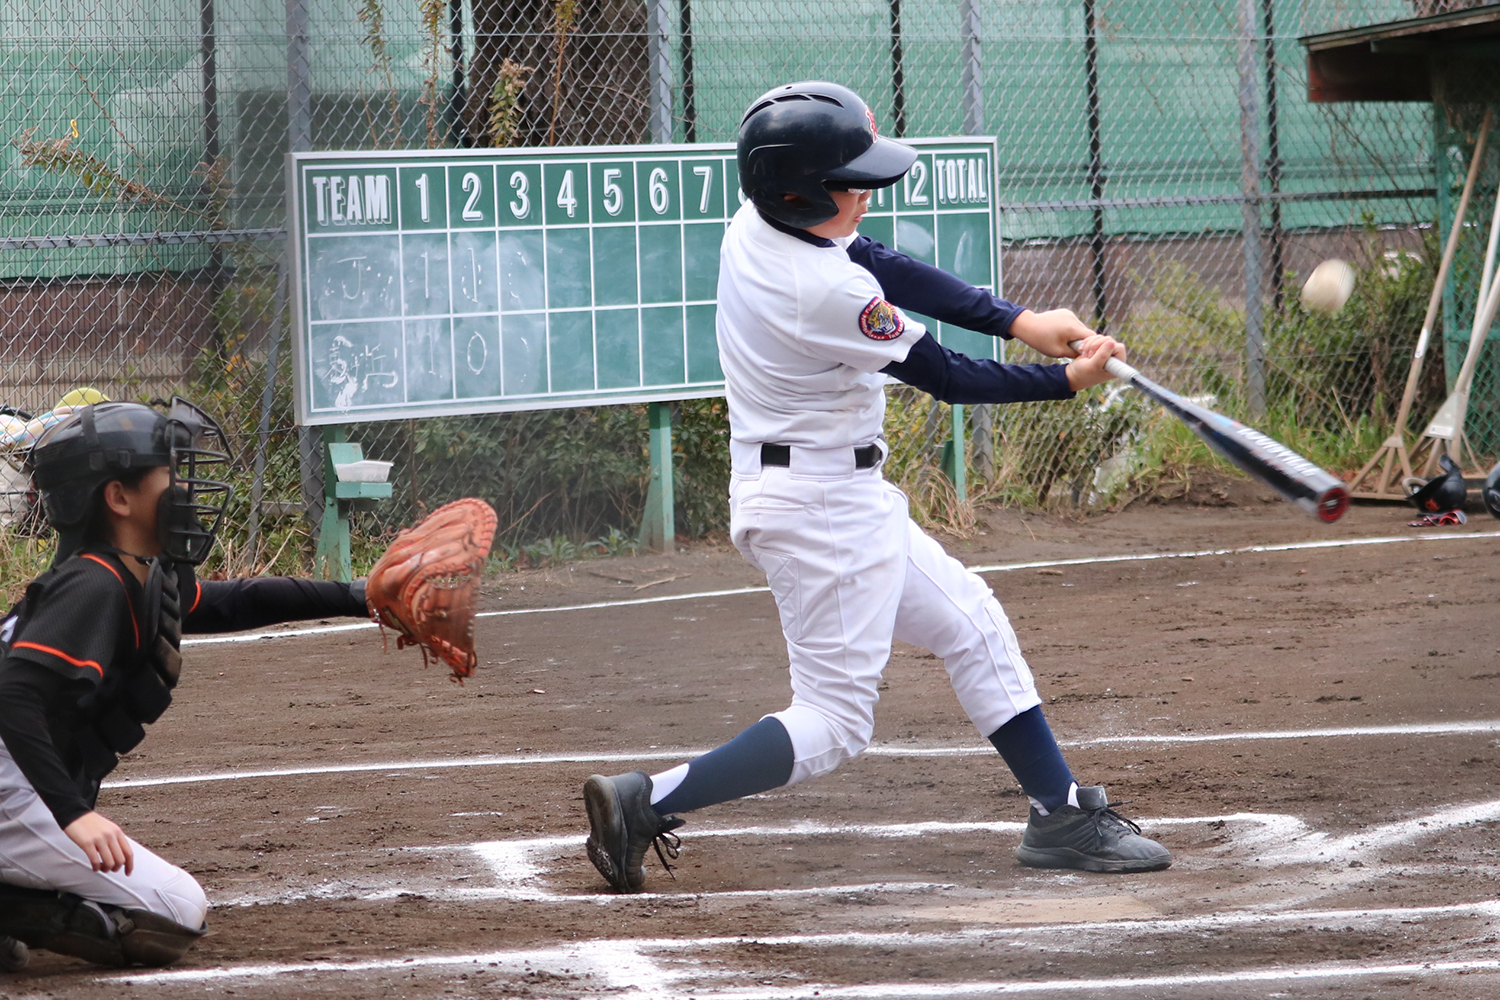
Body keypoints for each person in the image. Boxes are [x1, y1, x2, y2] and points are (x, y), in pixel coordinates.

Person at [581, 81, 1170, 893]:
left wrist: (1018, 318)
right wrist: (1063, 380)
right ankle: (644, 800)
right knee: (832, 723)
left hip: (835, 496)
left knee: (973, 624)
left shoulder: (761, 224)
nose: (863, 195)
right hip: (820, 511)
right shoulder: (817, 291)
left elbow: (876, 259)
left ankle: (1061, 813)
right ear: (798, 189)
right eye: (849, 182)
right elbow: (947, 376)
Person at [0, 398, 372, 969]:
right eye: (170, 472)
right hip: (10, 784)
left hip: (17, 779)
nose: (186, 487)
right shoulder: (94, 586)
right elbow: (13, 697)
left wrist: (358, 596)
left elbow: (230, 601)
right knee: (178, 908)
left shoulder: (131, 572)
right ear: (118, 498)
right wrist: (74, 814)